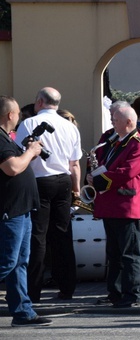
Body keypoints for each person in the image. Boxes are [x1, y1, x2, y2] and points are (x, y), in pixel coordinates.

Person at [15, 87, 81, 303]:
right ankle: (67, 287)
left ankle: (33, 292)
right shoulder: (70, 127)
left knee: (37, 237)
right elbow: (75, 164)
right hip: (62, 181)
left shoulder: (28, 123)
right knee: (62, 234)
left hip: (38, 182)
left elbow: (20, 154)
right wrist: (76, 190)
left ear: (40, 102)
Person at [0, 95, 52, 327]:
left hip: (22, 209)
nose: (20, 117)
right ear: (10, 115)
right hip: (9, 211)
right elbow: (12, 168)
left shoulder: (6, 139)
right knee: (7, 262)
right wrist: (30, 151)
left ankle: (23, 311)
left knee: (20, 262)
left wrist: (28, 151)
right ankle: (23, 310)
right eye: (17, 114)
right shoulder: (0, 140)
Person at [90, 106, 140, 308]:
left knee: (129, 253)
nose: (112, 122)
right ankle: (114, 292)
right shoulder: (116, 141)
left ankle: (132, 294)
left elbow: (127, 171)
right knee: (114, 253)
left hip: (126, 205)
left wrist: (99, 180)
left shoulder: (138, 144)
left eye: (115, 119)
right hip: (112, 205)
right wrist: (93, 174)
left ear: (129, 122)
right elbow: (108, 164)